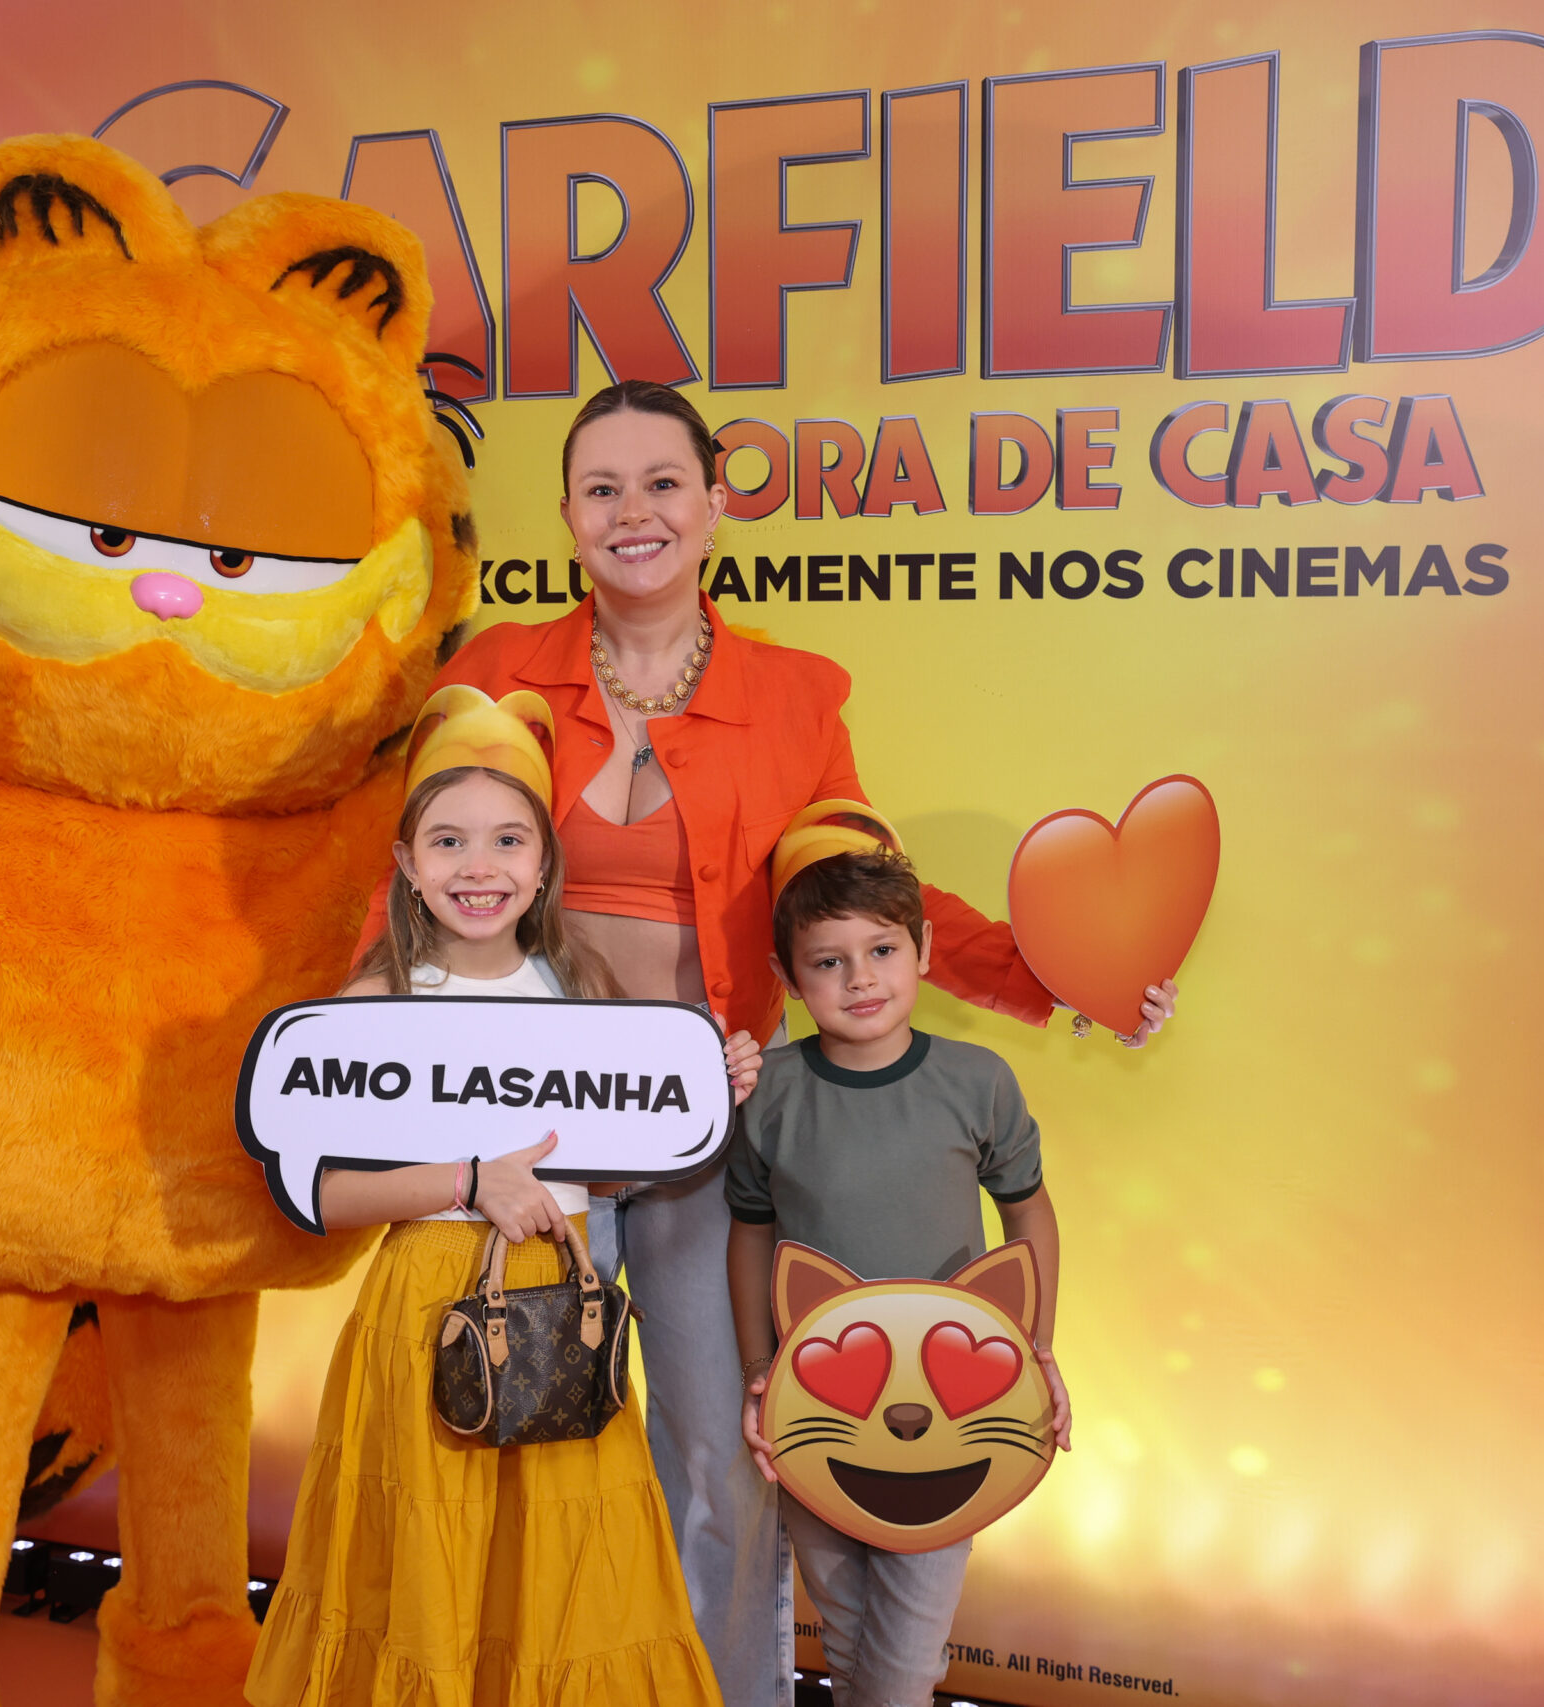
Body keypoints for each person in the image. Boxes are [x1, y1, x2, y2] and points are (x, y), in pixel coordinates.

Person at [356, 378, 1175, 1703]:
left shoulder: (792, 698)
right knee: (504, 1435)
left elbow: (864, 892)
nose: (634, 511)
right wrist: (347, 1035)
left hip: (710, 1134)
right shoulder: (498, 667)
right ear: (567, 513)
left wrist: (1055, 976)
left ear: (714, 501)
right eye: (603, 487)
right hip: (519, 1136)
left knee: (724, 1462)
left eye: (662, 483)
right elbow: (405, 872)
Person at [249, 685, 759, 1707]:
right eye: (448, 842)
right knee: (432, 1556)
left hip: (560, 1295)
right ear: (407, 863)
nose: (478, 868)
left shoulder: (582, 990)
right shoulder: (376, 1002)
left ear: (543, 863)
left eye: (507, 841)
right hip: (424, 1302)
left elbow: (608, 1160)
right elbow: (313, 1191)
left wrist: (707, 1091)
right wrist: (469, 1183)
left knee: (561, 1560)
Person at [726, 813, 1073, 1705]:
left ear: (922, 949)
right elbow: (751, 1232)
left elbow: (1029, 1212)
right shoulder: (770, 1095)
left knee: (906, 1662)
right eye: (828, 961)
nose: (860, 978)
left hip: (954, 1410)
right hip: (819, 1406)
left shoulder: (978, 1081)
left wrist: (1034, 1351)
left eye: (881, 950)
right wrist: (761, 1369)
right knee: (848, 1645)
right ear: (787, 978)